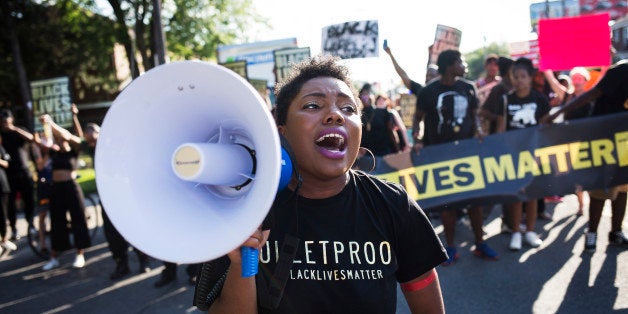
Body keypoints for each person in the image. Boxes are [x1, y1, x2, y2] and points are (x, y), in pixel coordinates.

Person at [206, 54, 447, 313]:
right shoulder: (246, 209)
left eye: (348, 109)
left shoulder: (394, 204)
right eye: (312, 105)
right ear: (281, 130)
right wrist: (243, 263)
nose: (335, 115)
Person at [412, 49, 498, 265]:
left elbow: (474, 117)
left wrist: (478, 130)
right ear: (450, 65)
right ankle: (450, 248)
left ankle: (480, 243)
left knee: (474, 203)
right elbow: (417, 119)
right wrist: (418, 138)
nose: (465, 65)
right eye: (461, 61)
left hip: (467, 155)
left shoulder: (468, 88)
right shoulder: (429, 92)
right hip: (440, 156)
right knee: (447, 205)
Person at [542, 60, 628, 252]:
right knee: (600, 192)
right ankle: (592, 233)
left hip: (625, 142)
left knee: (623, 189)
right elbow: (592, 94)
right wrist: (559, 114)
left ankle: (616, 232)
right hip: (605, 141)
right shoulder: (622, 70)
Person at [75, 114, 151, 279]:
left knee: (134, 229)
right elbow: (75, 138)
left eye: (94, 139)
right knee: (113, 235)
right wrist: (74, 117)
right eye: (89, 141)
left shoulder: (117, 145)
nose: (92, 143)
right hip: (108, 200)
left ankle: (143, 261)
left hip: (126, 197)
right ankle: (121, 264)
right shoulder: (91, 147)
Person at [493, 57, 550, 251]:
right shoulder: (506, 99)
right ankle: (516, 231)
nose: (519, 80)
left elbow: (544, 127)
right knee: (517, 195)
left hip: (533, 153)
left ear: (530, 77)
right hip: (513, 154)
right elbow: (501, 129)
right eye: (515, 77)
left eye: (523, 76)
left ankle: (531, 231)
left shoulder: (539, 99)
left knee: (532, 194)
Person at [39, 113, 91, 270]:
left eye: (62, 139)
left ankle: (80, 254)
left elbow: (70, 136)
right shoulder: (53, 152)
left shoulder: (74, 150)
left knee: (78, 219)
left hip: (71, 187)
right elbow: (41, 164)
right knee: (57, 222)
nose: (60, 141)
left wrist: (51, 122)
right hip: (57, 188)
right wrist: (46, 127)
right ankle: (54, 256)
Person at [0, 109, 36, 241]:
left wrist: (14, 129)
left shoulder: (19, 131)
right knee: (10, 204)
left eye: (6, 121)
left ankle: (31, 224)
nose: (5, 124)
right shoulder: (1, 136)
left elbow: (32, 139)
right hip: (9, 174)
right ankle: (14, 228)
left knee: (29, 200)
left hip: (24, 171)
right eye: (2, 122)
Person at [0, 134, 16, 254]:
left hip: (2, 186)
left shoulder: (1, 148)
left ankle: (4, 239)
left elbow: (7, 163)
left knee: (3, 214)